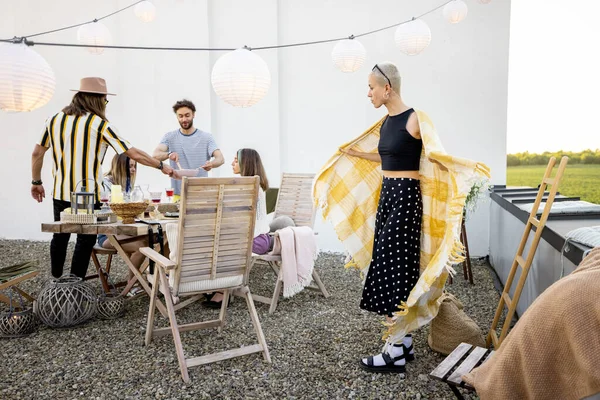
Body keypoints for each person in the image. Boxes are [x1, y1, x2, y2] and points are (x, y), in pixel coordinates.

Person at [31, 77, 174, 279]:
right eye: (105, 101)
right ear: (96, 100)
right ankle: (75, 284)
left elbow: (37, 153)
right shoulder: (99, 124)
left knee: (60, 236)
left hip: (61, 191)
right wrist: (160, 165)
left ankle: (55, 283)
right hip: (89, 194)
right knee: (85, 239)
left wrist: (36, 182)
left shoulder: (53, 120)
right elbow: (132, 153)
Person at [340, 63, 422, 373]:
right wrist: (359, 154)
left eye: (371, 87)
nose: (368, 92)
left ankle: (394, 351)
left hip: (405, 199)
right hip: (389, 196)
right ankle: (404, 340)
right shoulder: (387, 122)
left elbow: (435, 158)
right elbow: (387, 156)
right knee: (392, 265)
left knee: (393, 266)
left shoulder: (415, 119)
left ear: (387, 88)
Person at [204, 148, 271, 308]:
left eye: (236, 160)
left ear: (245, 163)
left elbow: (237, 218)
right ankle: (216, 286)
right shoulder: (249, 184)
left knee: (221, 245)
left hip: (257, 240)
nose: (232, 163)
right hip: (254, 238)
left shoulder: (251, 188)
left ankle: (221, 291)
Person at [153, 99, 224, 200]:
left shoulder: (206, 137)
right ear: (177, 117)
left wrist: (212, 164)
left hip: (202, 194)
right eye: (180, 116)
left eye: (187, 115)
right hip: (178, 196)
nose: (184, 119)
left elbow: (220, 158)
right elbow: (155, 155)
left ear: (193, 114)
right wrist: (169, 154)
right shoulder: (170, 137)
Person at [98, 154, 148, 280]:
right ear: (121, 166)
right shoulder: (105, 183)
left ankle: (161, 277)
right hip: (107, 234)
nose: (134, 169)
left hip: (124, 230)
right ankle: (132, 283)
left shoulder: (127, 184)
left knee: (159, 238)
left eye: (134, 166)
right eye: (130, 166)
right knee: (141, 247)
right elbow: (110, 210)